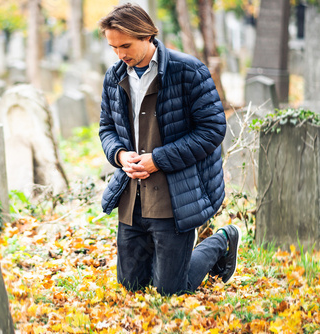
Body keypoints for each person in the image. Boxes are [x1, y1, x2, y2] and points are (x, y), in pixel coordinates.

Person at [98, 3, 241, 295]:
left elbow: (212, 130)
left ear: (147, 35)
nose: (120, 54)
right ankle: (164, 264)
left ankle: (222, 240)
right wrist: (120, 155)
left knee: (170, 292)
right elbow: (106, 128)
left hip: (175, 196)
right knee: (131, 286)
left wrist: (158, 160)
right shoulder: (114, 76)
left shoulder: (188, 71)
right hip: (132, 194)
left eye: (125, 45)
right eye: (113, 48)